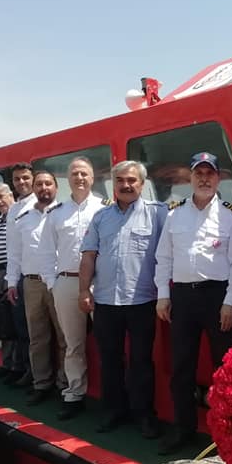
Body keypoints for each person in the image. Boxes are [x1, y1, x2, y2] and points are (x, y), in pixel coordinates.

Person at [154, 151, 232, 455]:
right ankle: (183, 429)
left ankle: (227, 435)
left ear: (218, 178)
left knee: (225, 368)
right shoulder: (174, 214)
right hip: (182, 298)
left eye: (210, 174)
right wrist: (163, 295)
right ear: (191, 178)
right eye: (199, 173)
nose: (204, 179)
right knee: (181, 366)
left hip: (217, 297)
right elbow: (163, 257)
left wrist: (230, 302)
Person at [79, 160, 168, 436]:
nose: (126, 185)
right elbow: (89, 256)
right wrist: (83, 290)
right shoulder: (101, 217)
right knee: (109, 360)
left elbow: (170, 254)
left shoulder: (158, 214)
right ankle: (113, 411)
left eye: (132, 180)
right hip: (106, 301)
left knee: (141, 361)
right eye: (120, 180)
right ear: (113, 184)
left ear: (142, 183)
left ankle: (144, 415)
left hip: (142, 301)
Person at [39, 157, 105, 420]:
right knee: (72, 343)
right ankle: (75, 393)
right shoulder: (56, 213)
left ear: (92, 178)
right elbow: (46, 252)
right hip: (66, 282)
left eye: (84, 173)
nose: (80, 178)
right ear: (68, 179)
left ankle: (111, 396)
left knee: (108, 343)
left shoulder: (105, 209)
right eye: (75, 173)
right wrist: (53, 284)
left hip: (100, 283)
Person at [6, 170, 67, 405]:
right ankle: (41, 383)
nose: (43, 188)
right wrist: (12, 282)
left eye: (48, 183)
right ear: (34, 188)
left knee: (64, 337)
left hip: (59, 281)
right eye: (39, 184)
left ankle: (65, 385)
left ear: (56, 187)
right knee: (37, 337)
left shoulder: (64, 212)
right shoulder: (22, 217)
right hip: (31, 282)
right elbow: (14, 252)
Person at [0, 182, 26, 383]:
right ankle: (8, 363)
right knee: (4, 319)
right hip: (1, 271)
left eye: (1, 196)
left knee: (16, 320)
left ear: (11, 195)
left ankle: (19, 366)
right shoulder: (1, 220)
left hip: (15, 272)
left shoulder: (19, 215)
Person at [7, 162, 36, 387]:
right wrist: (11, 281)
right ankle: (29, 371)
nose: (21, 182)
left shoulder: (46, 204)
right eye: (17, 179)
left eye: (25, 177)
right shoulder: (13, 210)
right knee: (24, 328)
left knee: (45, 332)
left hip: (46, 277)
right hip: (24, 279)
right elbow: (13, 249)